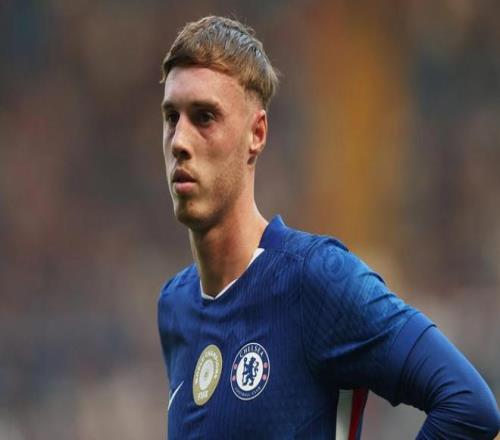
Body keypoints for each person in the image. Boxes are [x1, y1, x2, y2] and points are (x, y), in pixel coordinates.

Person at [157, 15, 500, 439]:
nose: (179, 141)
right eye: (171, 117)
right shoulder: (175, 306)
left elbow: (468, 405)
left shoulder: (316, 280)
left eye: (205, 117)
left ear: (256, 134)